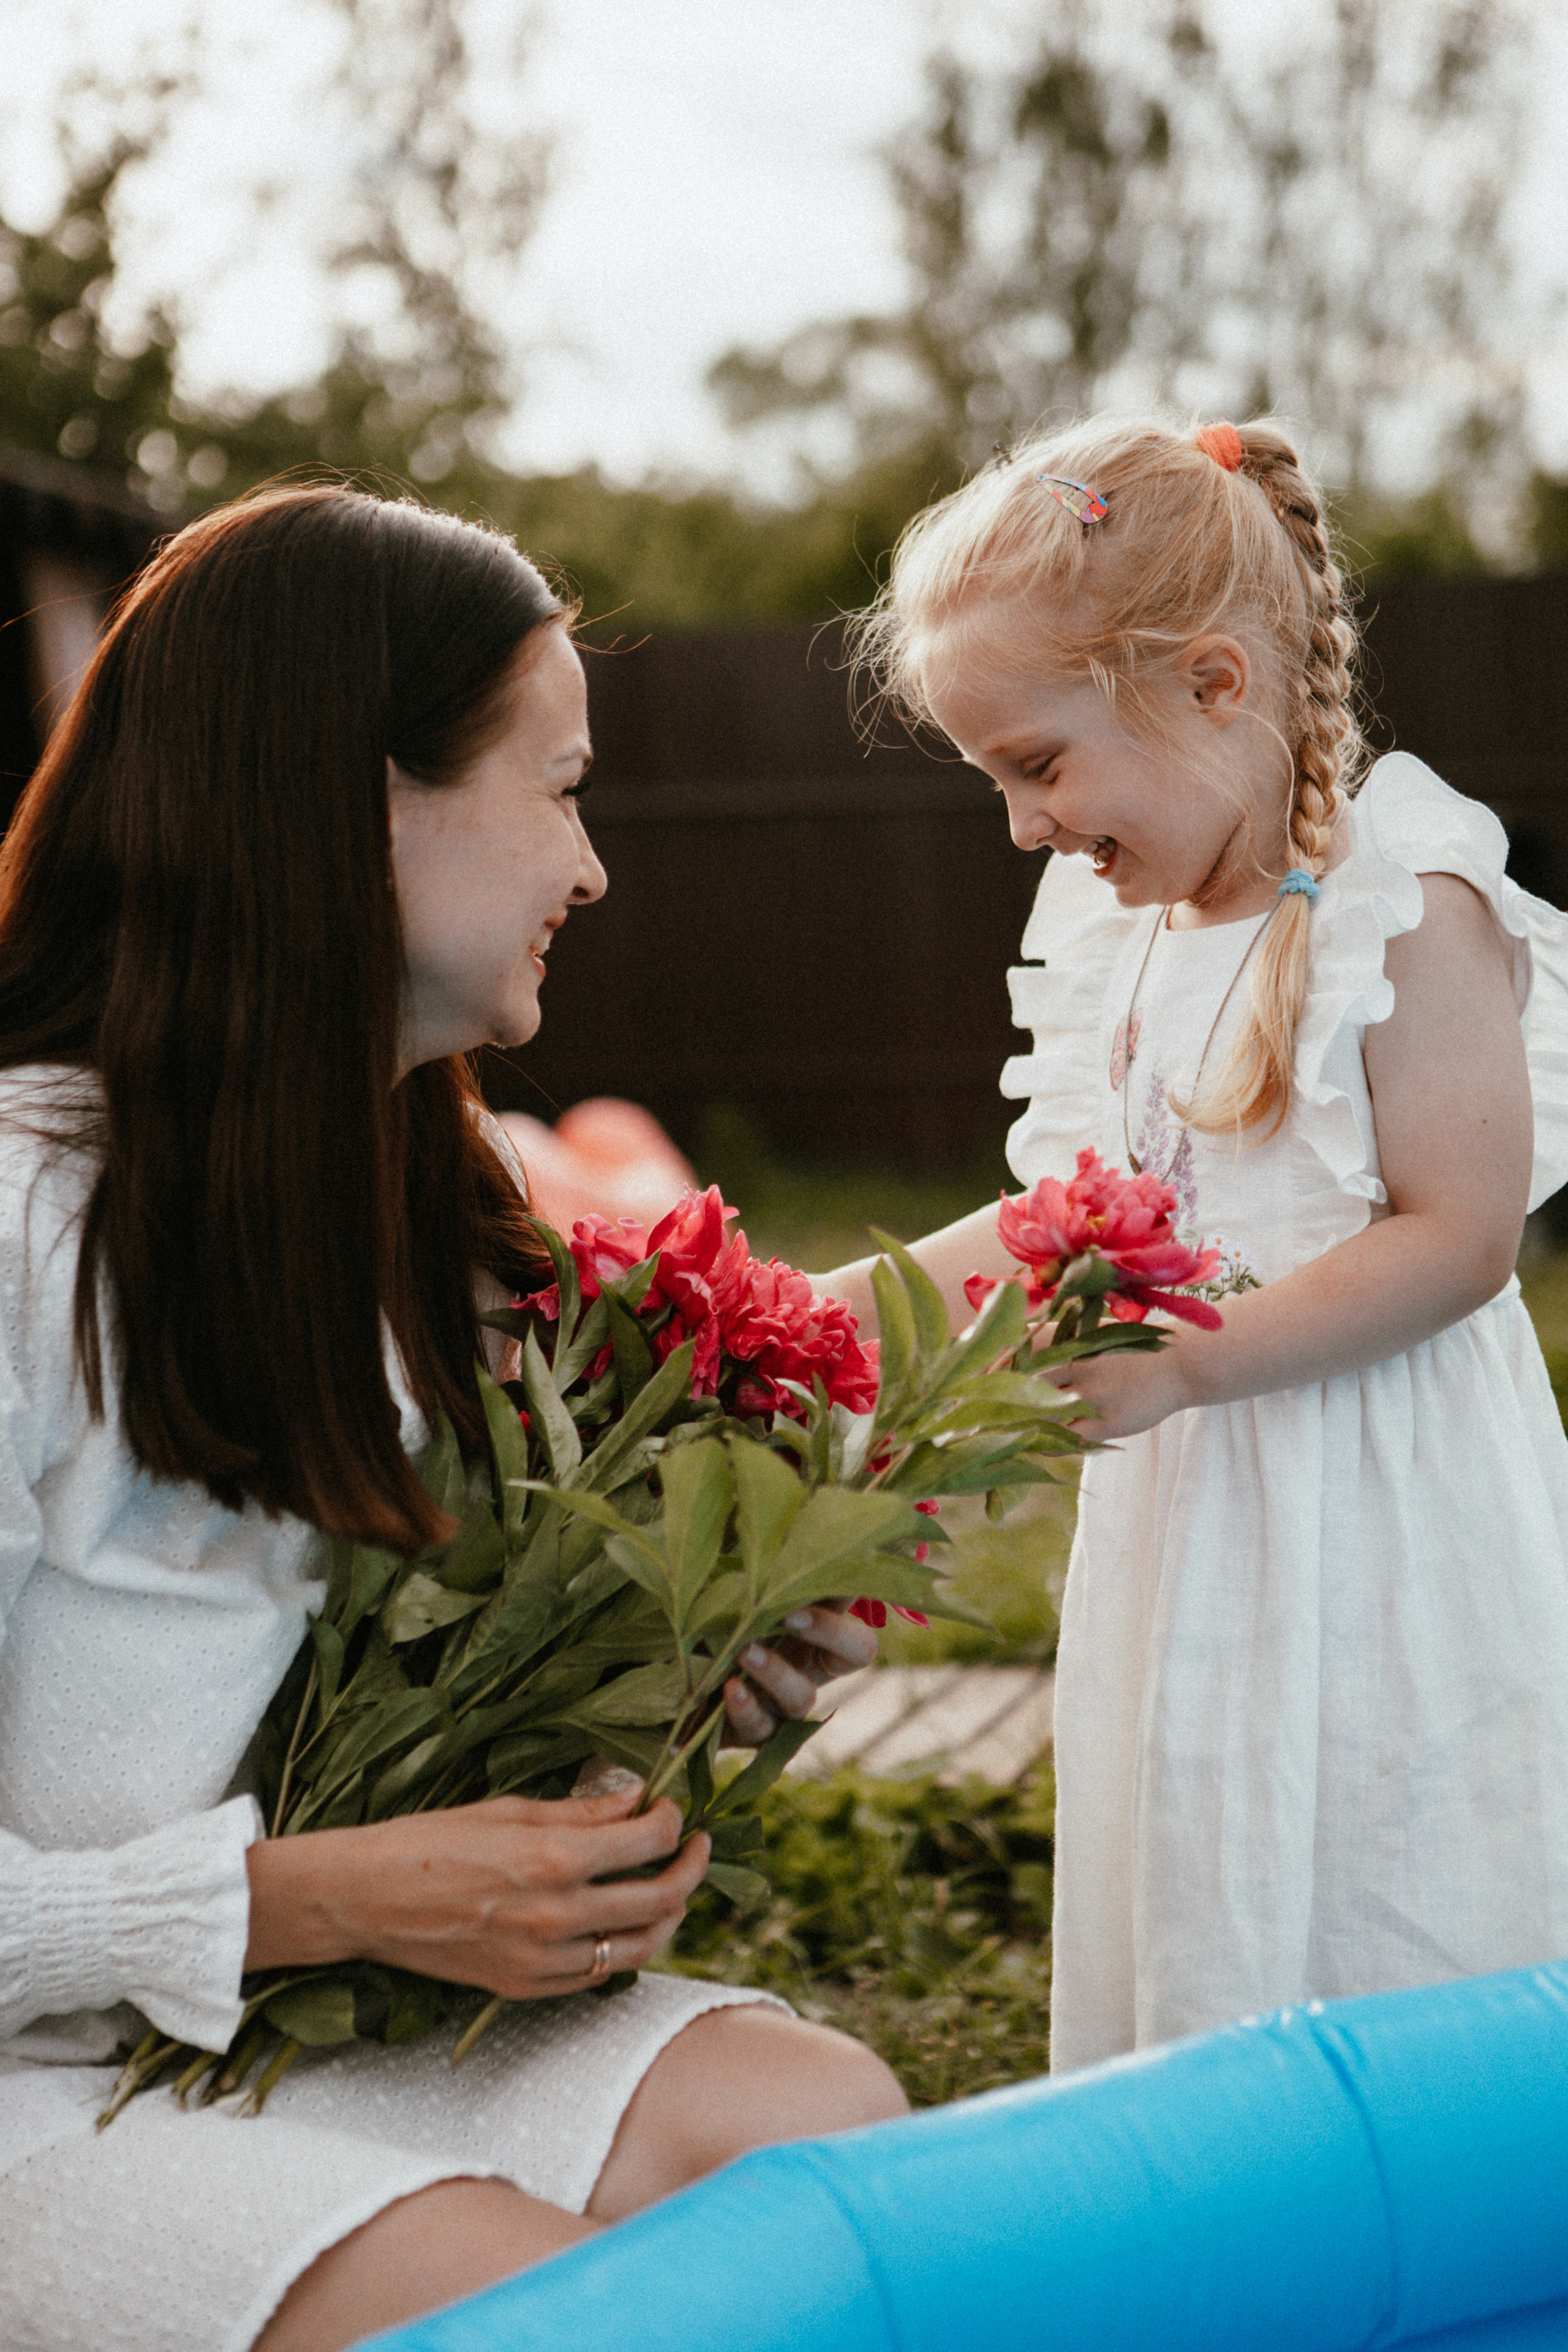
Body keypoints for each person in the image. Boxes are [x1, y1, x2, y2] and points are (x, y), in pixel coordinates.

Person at [0, 486, 903, 2352]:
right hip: (32, 2072)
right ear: (359, 804)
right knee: (571, 2316)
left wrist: (688, 1651)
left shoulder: (436, 1199)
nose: (591, 870)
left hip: (288, 2018)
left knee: (829, 2155)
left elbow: (422, 1682)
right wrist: (321, 1900)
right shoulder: (19, 1225)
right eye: (559, 787)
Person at [820, 418, 1568, 2073]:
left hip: (1377, 1506)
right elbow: (1061, 1222)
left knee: (1390, 1855)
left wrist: (1190, 1368)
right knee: (1211, 1843)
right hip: (1197, 1514)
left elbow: (1461, 1241)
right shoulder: (1125, 936)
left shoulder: (1404, 906)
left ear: (1213, 685)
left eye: (1039, 764)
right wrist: (823, 1316)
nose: (1021, 826)